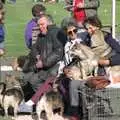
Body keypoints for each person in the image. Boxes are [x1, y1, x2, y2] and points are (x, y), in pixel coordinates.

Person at [18, 14, 65, 112]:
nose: (40, 27)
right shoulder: (42, 35)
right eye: (39, 25)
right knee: (26, 76)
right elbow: (34, 48)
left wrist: (44, 63)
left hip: (54, 67)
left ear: (49, 23)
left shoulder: (56, 32)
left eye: (42, 24)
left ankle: (45, 103)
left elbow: (58, 52)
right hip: (44, 67)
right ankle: (41, 104)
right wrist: (37, 56)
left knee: (35, 79)